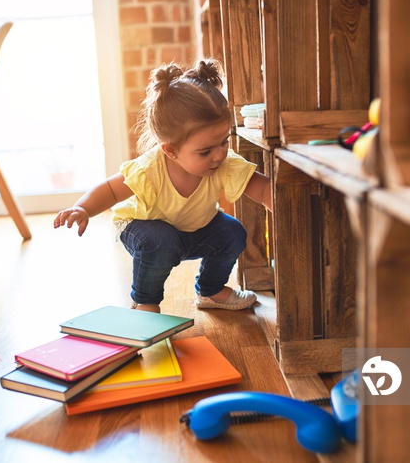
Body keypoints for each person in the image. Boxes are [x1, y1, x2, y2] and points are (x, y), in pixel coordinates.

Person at [54, 59, 272, 313]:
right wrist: (83, 209)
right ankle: (145, 301)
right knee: (161, 240)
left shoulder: (224, 163)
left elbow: (261, 188)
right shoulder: (150, 169)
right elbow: (111, 189)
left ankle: (211, 291)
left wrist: (279, 204)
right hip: (143, 229)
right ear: (170, 151)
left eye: (224, 142)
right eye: (205, 151)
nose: (219, 155)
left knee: (232, 232)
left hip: (193, 230)